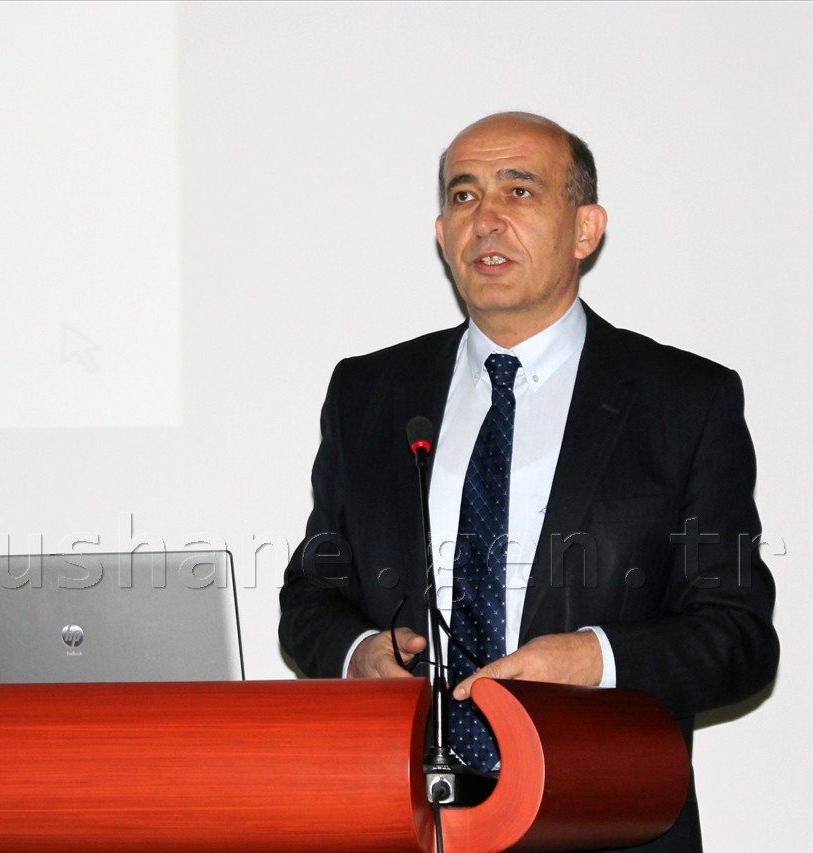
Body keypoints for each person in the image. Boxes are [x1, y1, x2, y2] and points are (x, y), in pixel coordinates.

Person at [278, 112, 778, 852]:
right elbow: (312, 594)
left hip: (604, 821)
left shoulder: (683, 399)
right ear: (441, 234)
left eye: (519, 191)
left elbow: (737, 637)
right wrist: (359, 653)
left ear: (585, 230)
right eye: (463, 196)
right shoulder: (370, 392)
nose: (486, 219)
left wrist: (595, 658)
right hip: (401, 818)